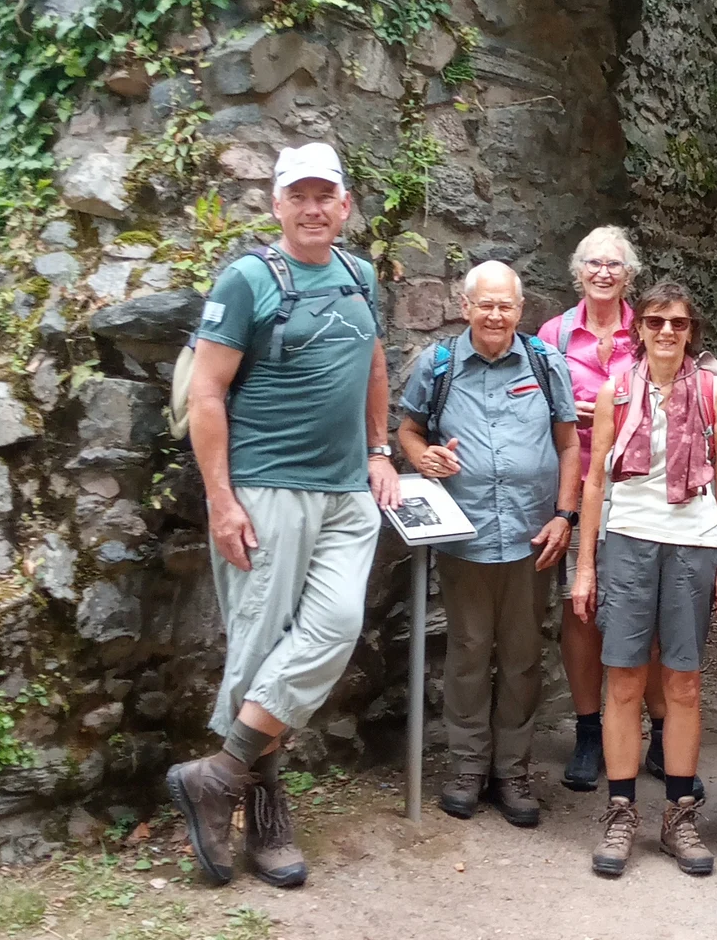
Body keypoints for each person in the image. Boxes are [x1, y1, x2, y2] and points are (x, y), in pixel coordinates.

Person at [167, 143, 401, 889]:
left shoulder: (360, 277)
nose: (311, 209)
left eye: (323, 196)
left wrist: (379, 449)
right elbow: (206, 394)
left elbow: (372, 364)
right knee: (259, 650)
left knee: (332, 630)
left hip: (345, 494)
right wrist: (221, 500)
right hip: (266, 491)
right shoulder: (246, 281)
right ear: (276, 204)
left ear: (345, 204)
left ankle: (222, 773)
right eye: (296, 196)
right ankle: (264, 816)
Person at [394, 260, 580, 825]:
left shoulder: (546, 365)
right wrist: (420, 456)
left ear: (520, 311)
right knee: (469, 652)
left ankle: (513, 771)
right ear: (466, 306)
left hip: (530, 536)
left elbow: (570, 446)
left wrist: (565, 516)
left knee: (524, 656)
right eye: (486, 304)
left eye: (506, 305)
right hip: (464, 534)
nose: (496, 314)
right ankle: (468, 766)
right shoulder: (440, 364)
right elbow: (408, 429)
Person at [571, 281, 717, 878]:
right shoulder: (615, 391)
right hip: (630, 540)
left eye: (678, 323)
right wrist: (586, 564)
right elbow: (595, 481)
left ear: (692, 331)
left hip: (693, 542)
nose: (666, 332)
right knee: (623, 677)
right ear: (638, 328)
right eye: (655, 321)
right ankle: (621, 811)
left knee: (684, 682)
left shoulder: (716, 394)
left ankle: (679, 813)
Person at [539, 227, 642, 792]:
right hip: (579, 485)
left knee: (641, 608)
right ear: (579, 272)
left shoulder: (647, 327)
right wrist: (569, 412)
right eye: (594, 263)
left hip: (637, 483)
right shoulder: (554, 333)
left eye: (615, 264)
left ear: (630, 274)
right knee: (581, 611)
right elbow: (537, 406)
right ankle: (587, 729)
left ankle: (653, 728)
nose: (604, 272)